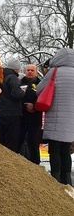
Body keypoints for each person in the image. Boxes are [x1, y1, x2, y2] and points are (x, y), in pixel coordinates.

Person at [37, 48, 74, 185]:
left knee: (55, 150)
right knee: (65, 150)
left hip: (55, 117)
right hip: (71, 120)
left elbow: (40, 90)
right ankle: (67, 180)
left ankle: (55, 180)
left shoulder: (54, 72)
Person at [0, 57, 26, 152]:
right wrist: (23, 90)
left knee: (2, 138)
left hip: (2, 111)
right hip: (13, 113)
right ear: (16, 68)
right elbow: (16, 94)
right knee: (12, 140)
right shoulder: (13, 77)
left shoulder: (1, 77)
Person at [18, 64, 42, 164]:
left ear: (36, 72)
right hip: (21, 118)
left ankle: (36, 164)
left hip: (35, 118)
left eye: (32, 70)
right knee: (20, 142)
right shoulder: (20, 82)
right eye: (28, 70)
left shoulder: (41, 84)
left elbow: (44, 99)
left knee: (34, 143)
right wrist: (25, 106)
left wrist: (34, 106)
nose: (30, 72)